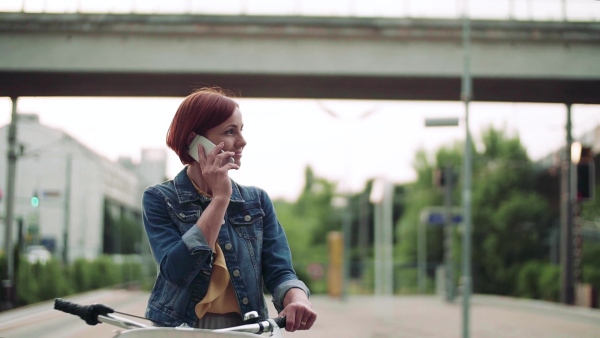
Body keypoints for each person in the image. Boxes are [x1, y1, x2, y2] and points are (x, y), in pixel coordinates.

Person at [142, 87, 317, 332]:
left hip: (245, 328)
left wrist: (297, 298)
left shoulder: (257, 201)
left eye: (241, 130)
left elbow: (280, 271)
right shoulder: (160, 198)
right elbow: (176, 272)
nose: (242, 141)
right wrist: (221, 198)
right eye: (230, 131)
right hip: (179, 329)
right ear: (195, 141)